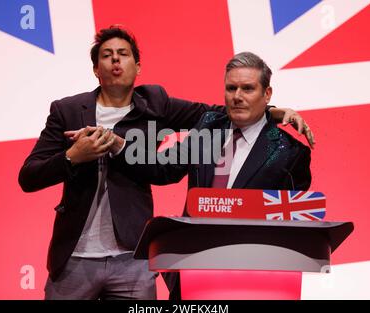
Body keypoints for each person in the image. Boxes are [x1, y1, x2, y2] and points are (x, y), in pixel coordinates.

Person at [18, 25, 314, 300]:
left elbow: (224, 112)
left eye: (123, 54)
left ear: (138, 67)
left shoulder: (155, 104)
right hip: (75, 257)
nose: (115, 61)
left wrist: (273, 112)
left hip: (133, 259)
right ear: (96, 68)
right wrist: (73, 157)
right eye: (107, 56)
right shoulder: (66, 110)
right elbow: (29, 177)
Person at [109, 51, 312, 299]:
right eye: (231, 88)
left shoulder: (290, 152)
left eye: (248, 89)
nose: (237, 97)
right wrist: (118, 145)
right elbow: (164, 168)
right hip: (193, 277)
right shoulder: (208, 126)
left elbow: (296, 226)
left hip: (253, 281)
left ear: (266, 94)